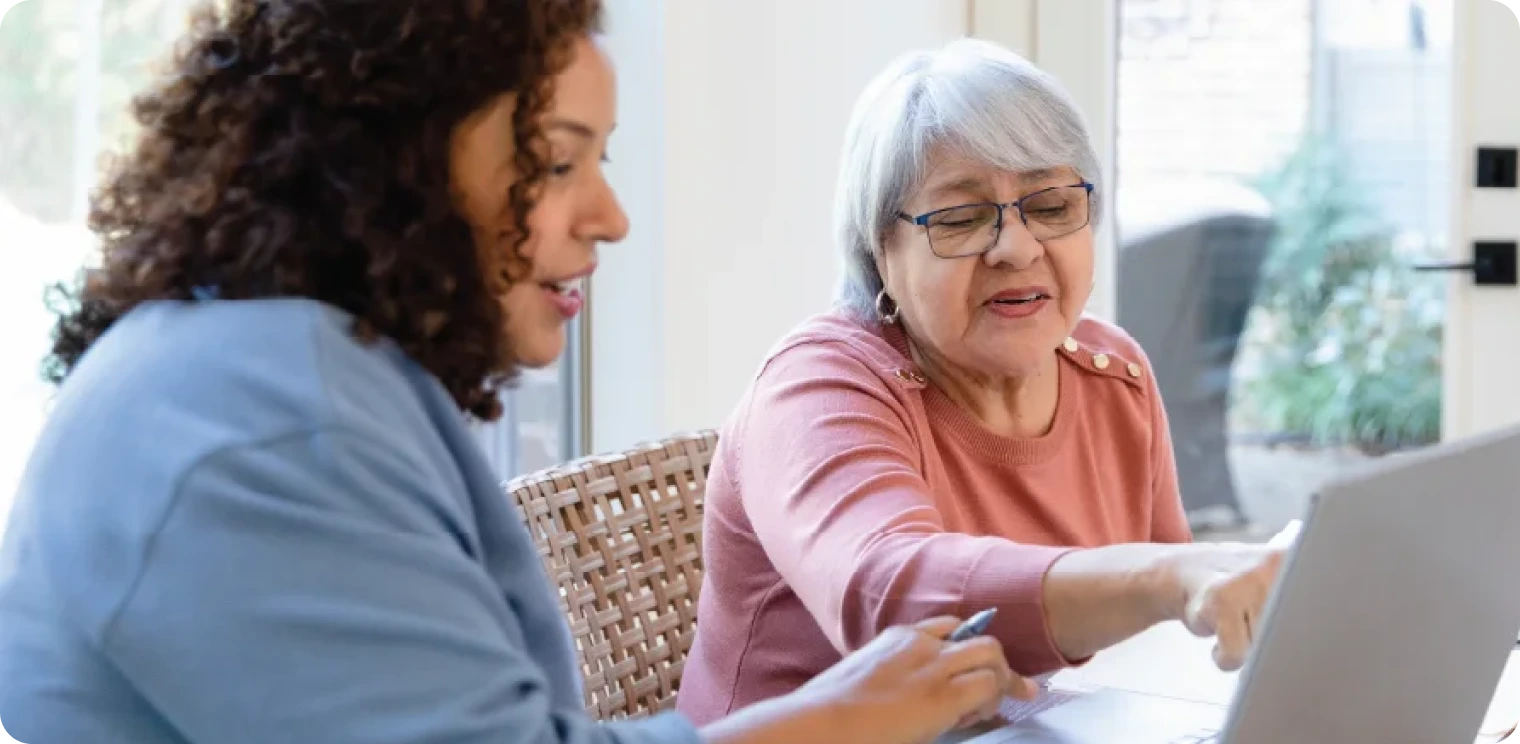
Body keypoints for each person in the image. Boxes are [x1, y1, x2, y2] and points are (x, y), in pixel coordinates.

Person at [0, 4, 1038, 743]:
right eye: (554, 161)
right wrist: (841, 719)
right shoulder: (258, 423)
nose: (610, 218)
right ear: (386, 157)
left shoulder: (286, 374)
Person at [677, 39, 1290, 725]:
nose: (1017, 248)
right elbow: (890, 597)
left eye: (1051, 207)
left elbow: (1173, 640)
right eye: (962, 219)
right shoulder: (816, 388)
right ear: (881, 250)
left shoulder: (1112, 374)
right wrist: (1163, 579)